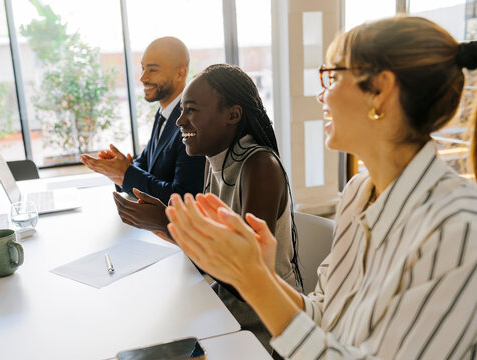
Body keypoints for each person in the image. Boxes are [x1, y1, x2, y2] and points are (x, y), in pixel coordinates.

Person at [166, 16, 477, 359]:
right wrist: (255, 274)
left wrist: (252, 277)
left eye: (331, 76)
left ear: (380, 91)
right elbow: (325, 313)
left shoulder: (459, 229)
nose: (320, 95)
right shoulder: (360, 192)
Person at [113, 64, 301, 350]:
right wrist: (167, 221)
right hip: (225, 312)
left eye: (191, 110)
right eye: (181, 111)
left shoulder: (259, 166)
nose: (180, 122)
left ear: (232, 115)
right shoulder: (215, 159)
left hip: (265, 329)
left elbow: (245, 281)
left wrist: (168, 225)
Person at [80, 37, 205, 205]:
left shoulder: (191, 124)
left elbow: (182, 197)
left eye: (152, 70)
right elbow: (145, 165)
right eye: (143, 68)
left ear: (180, 73)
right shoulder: (163, 115)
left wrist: (126, 173)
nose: (143, 78)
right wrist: (118, 169)